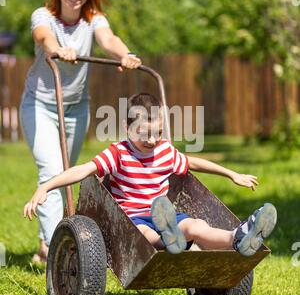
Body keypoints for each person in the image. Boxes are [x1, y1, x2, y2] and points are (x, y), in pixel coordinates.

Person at [23, 93, 277, 257]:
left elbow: (193, 163)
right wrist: (45, 187)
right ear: (127, 128)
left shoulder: (165, 150)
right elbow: (84, 170)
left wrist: (232, 174)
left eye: (157, 133)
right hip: (131, 221)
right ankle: (169, 242)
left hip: (163, 214)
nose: (153, 140)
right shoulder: (119, 153)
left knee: (196, 225)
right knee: (144, 235)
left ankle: (237, 237)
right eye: (145, 134)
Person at [20, 0, 141, 263]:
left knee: (65, 176)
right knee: (51, 171)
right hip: (40, 104)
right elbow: (44, 38)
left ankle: (46, 241)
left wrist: (125, 54)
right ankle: (53, 248)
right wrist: (58, 49)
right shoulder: (43, 16)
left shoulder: (93, 18)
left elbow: (108, 40)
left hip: (76, 107)